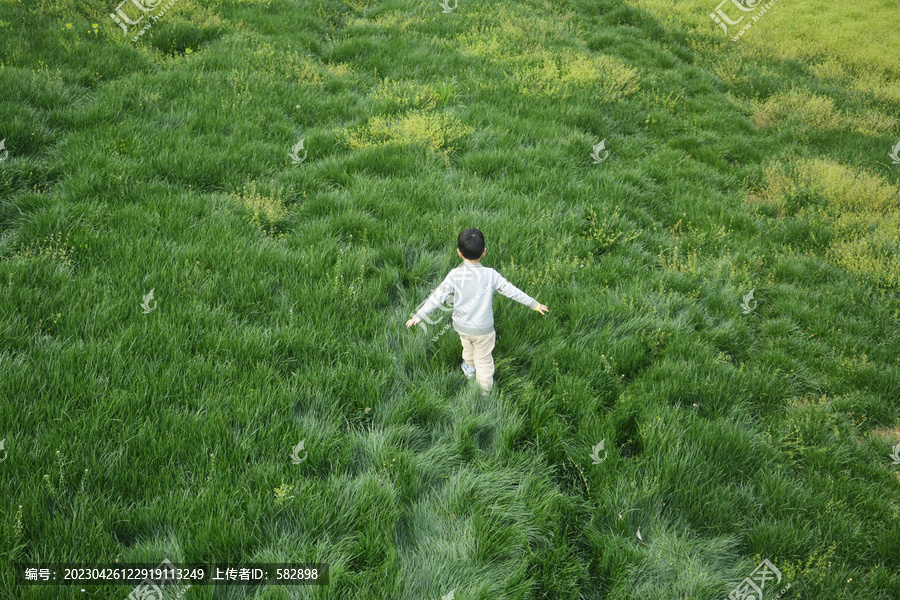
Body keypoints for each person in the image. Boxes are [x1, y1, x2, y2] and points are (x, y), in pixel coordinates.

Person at [405, 228, 549, 394]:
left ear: (459, 253)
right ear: (484, 252)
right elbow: (513, 292)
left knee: (467, 346)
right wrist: (534, 304)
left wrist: (420, 315)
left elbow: (437, 297)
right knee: (484, 360)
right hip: (483, 330)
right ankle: (484, 393)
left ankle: (469, 367)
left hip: (461, 326)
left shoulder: (454, 275)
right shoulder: (491, 275)